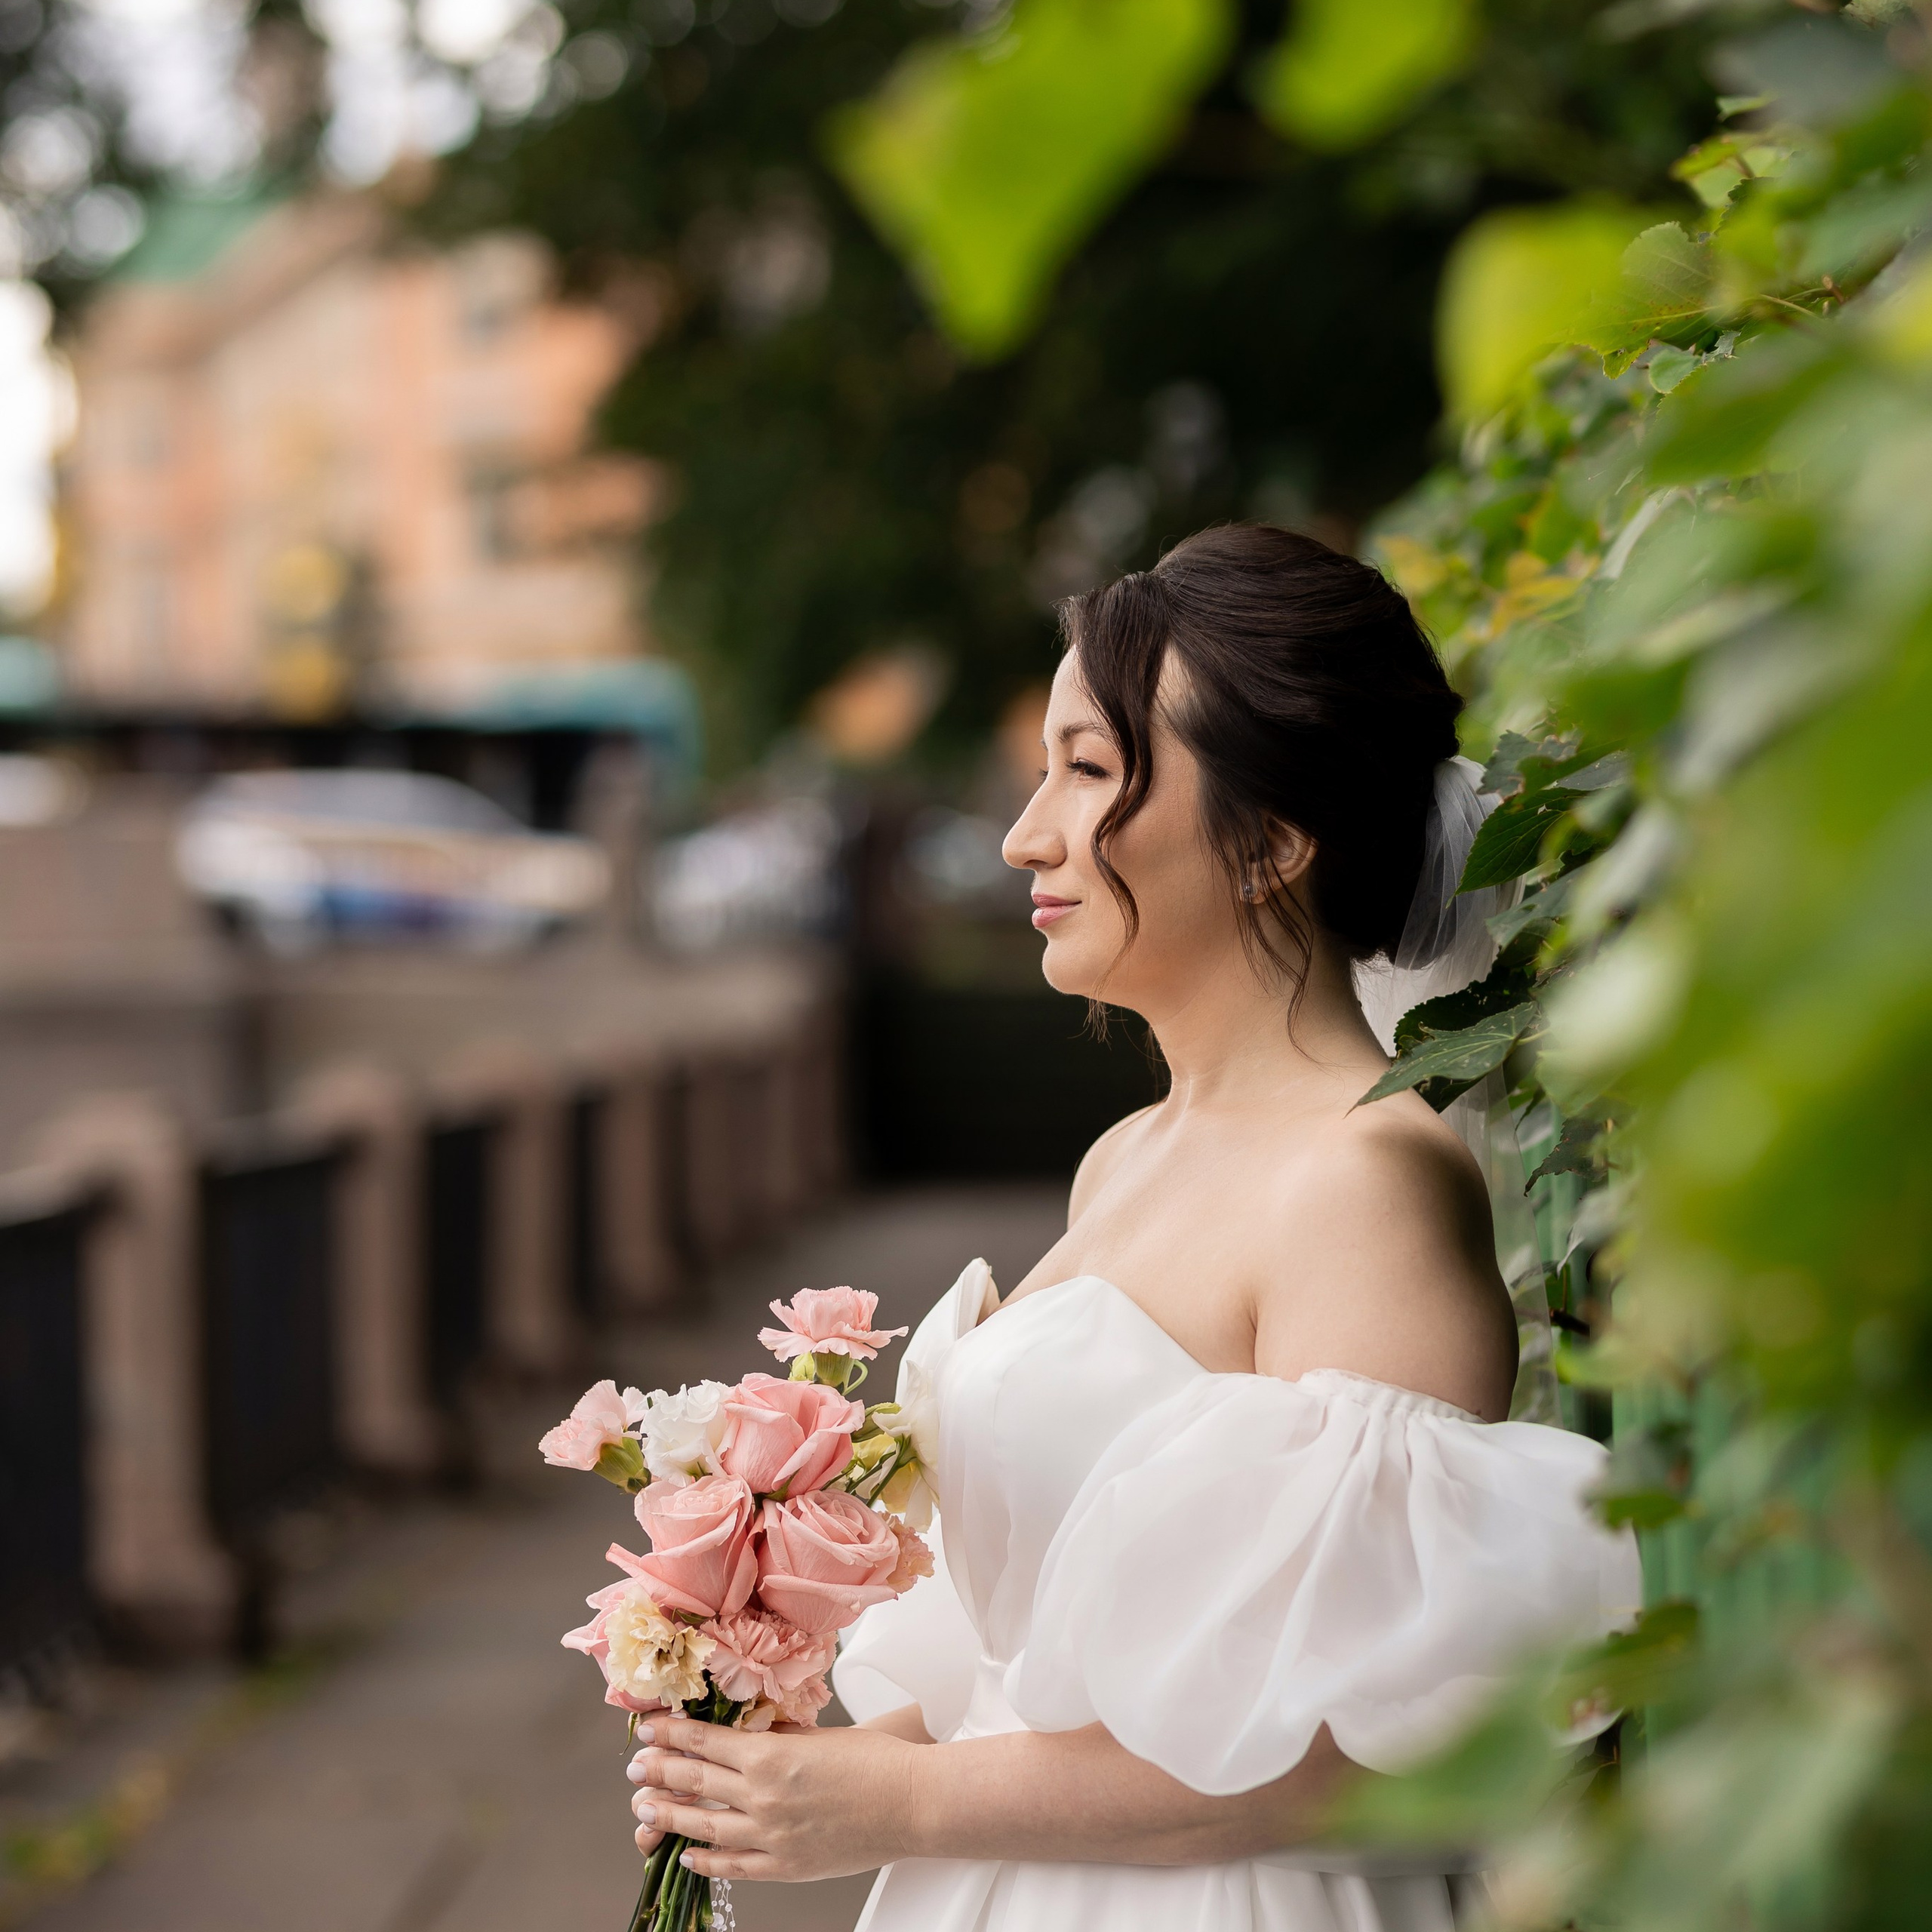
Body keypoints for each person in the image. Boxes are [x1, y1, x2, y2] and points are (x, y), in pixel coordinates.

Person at [624, 525, 1641, 1930]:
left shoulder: (1366, 1184)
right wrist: (799, 1772)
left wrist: (903, 1809)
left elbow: (1353, 1747)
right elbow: (1083, 1672)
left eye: (1089, 771)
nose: (1023, 832)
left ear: (1277, 837)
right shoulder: (1124, 1159)